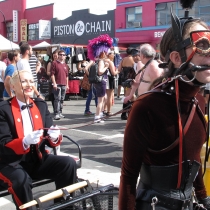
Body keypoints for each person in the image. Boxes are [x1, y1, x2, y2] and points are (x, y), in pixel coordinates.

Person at [119, 1, 210, 209]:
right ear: (177, 58)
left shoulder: (199, 102)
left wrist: (204, 198)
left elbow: (192, 158)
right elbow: (128, 177)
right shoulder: (146, 106)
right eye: (202, 45)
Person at [0, 70, 77, 210]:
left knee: (68, 164)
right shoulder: (3, 109)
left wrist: (54, 136)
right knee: (21, 179)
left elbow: (49, 137)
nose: (29, 85)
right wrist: (24, 141)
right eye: (23, 81)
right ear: (13, 86)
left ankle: (64, 206)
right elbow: (3, 144)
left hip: (36, 159)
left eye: (31, 81)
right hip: (11, 163)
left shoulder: (40, 105)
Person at [87, 34, 113, 123]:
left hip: (100, 82)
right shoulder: (101, 61)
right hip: (101, 81)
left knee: (103, 98)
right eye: (106, 52)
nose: (107, 53)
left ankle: (99, 115)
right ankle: (97, 117)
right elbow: (100, 72)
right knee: (100, 100)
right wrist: (106, 66)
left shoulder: (97, 60)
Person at [50, 50, 70, 120]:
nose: (62, 56)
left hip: (64, 84)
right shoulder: (54, 63)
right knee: (57, 99)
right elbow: (52, 74)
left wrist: (67, 85)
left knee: (62, 99)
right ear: (58, 55)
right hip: (57, 84)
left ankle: (60, 112)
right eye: (60, 54)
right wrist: (54, 83)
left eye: (63, 55)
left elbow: (67, 76)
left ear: (65, 56)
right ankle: (56, 113)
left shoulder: (65, 65)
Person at [118, 47, 135, 120]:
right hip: (131, 78)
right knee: (130, 96)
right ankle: (127, 113)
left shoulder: (123, 59)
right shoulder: (133, 60)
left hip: (124, 78)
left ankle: (124, 113)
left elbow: (119, 69)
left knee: (127, 95)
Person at [104, 50, 118, 116]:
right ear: (109, 54)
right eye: (113, 54)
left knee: (105, 95)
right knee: (109, 96)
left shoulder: (103, 61)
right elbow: (113, 73)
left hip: (104, 79)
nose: (114, 55)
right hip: (110, 79)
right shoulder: (110, 62)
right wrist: (118, 71)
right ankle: (108, 111)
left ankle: (104, 109)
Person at [47, 49, 59, 114]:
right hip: (52, 81)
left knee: (59, 97)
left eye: (56, 56)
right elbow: (48, 72)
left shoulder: (60, 63)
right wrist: (53, 73)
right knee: (53, 96)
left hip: (59, 80)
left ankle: (59, 110)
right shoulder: (50, 63)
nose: (55, 57)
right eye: (54, 56)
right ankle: (55, 109)